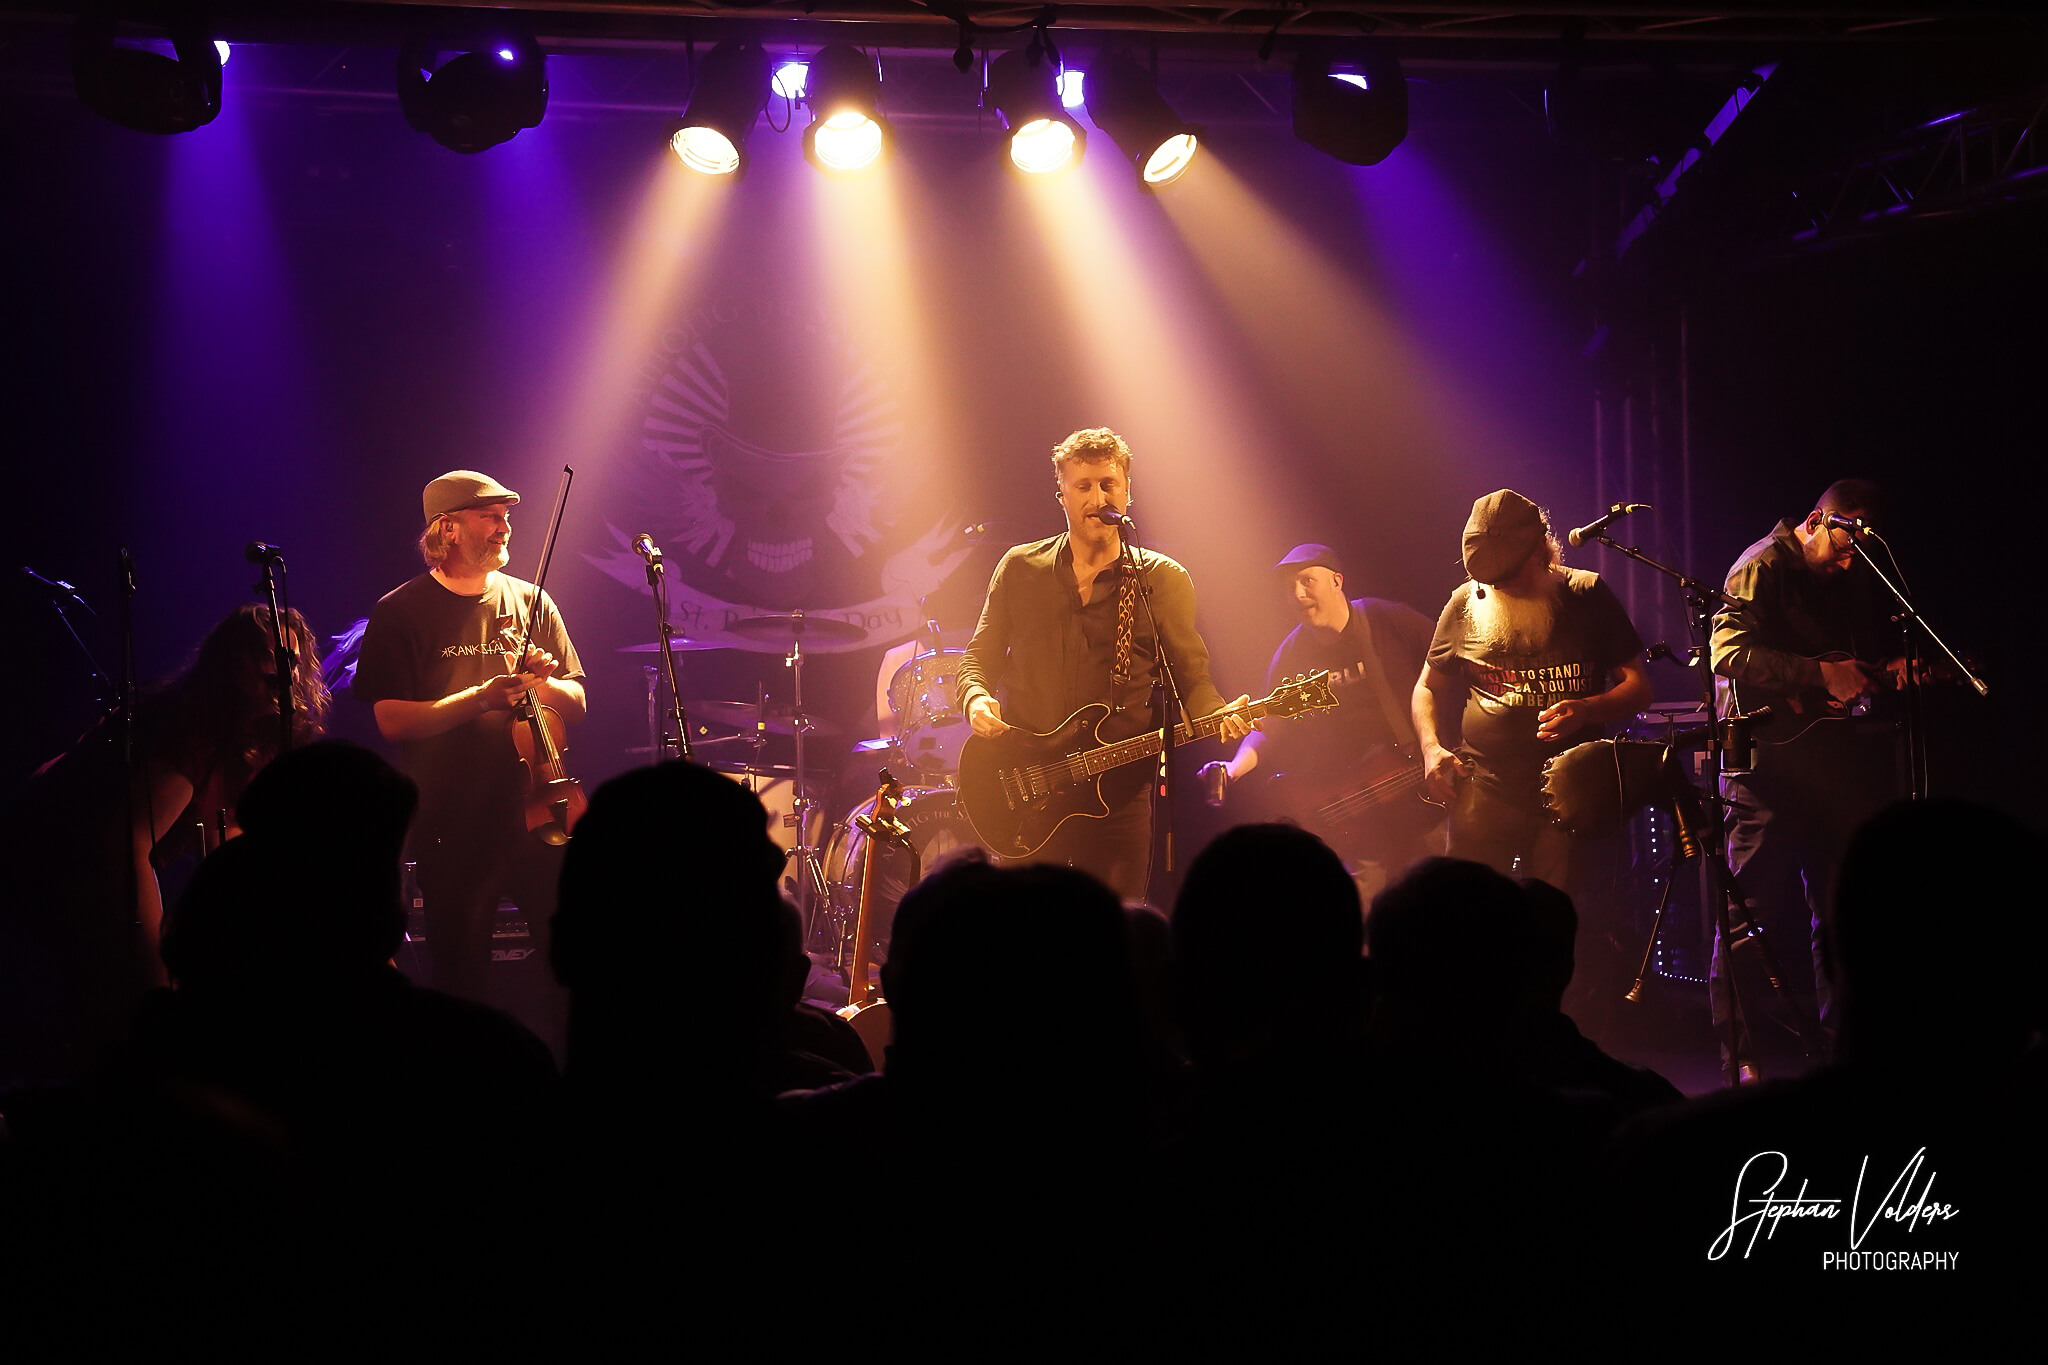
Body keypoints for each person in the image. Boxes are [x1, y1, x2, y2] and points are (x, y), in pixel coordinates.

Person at [0, 603, 326, 1090]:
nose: (283, 671)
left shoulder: (250, 736)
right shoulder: (192, 728)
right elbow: (127, 842)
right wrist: (156, 974)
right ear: (231, 664)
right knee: (92, 1020)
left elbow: (227, 848)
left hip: (79, 864)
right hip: (45, 861)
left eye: (291, 660)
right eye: (266, 656)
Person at [955, 427, 1251, 900]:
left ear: (1127, 492)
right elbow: (978, 658)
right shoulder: (1020, 568)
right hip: (1029, 784)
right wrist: (975, 699)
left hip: (1119, 794)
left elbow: (1192, 677)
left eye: (1108, 484)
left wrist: (1218, 714)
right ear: (1062, 496)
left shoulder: (1162, 579)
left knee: (1115, 930)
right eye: (1084, 486)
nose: (1098, 498)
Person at [353, 470, 586, 1028]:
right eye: (490, 517)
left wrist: (542, 685)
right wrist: (481, 698)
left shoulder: (531, 600)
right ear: (448, 528)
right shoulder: (401, 610)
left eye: (506, 517)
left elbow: (577, 700)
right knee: (463, 982)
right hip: (453, 822)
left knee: (576, 968)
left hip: (541, 812)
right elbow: (390, 720)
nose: (505, 527)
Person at [1708, 478, 1905, 1074]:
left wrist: (1880, 673)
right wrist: (1820, 676)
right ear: (1818, 521)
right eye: (1844, 547)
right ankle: (1742, 1063)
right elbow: (1727, 653)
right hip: (1764, 770)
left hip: (1825, 766)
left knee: (1842, 908)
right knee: (1750, 914)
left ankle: (1846, 1053)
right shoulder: (1762, 565)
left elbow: (1835, 667)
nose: (1848, 563)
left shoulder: (1835, 583)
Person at [1412, 489, 1651, 888]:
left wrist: (1589, 709)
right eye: (1491, 581)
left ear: (1542, 551)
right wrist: (1430, 748)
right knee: (1468, 909)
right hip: (1485, 787)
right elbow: (1427, 687)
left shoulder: (1587, 593)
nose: (1500, 587)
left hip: (1573, 789)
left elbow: (1638, 688)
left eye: (1509, 576)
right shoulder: (1464, 602)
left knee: (1561, 913)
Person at [1199, 543, 1440, 896]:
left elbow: (1449, 665)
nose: (1298, 594)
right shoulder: (1291, 654)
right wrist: (1233, 769)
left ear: (1337, 581)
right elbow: (1270, 727)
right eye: (1289, 588)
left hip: (1419, 790)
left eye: (1307, 581)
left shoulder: (1387, 620)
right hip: (1355, 809)